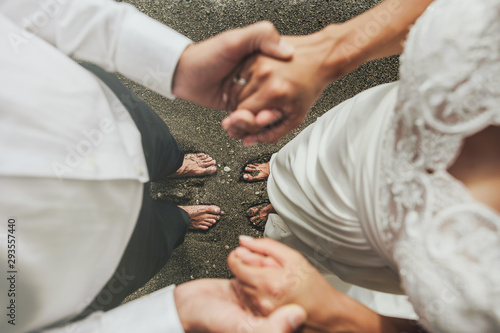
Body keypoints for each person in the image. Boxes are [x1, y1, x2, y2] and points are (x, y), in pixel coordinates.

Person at [0, 0, 303, 332]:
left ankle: (172, 166)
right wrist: (175, 315)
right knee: (154, 241)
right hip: (83, 267)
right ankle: (179, 215)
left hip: (91, 111)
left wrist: (176, 63)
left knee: (155, 144)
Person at [222, 0, 500, 331]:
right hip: (362, 131)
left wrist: (335, 313)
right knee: (296, 168)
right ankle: (281, 191)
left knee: (303, 258)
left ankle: (285, 220)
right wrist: (327, 54)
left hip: (366, 249)